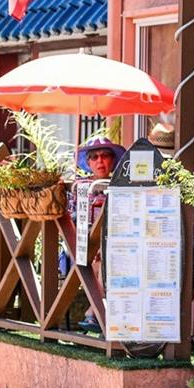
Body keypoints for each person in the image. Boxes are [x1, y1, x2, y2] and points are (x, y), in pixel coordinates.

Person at [68, 134, 125, 335]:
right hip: (85, 243)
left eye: (105, 156)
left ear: (113, 160)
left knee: (109, 254)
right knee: (99, 257)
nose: (100, 161)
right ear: (89, 162)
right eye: (95, 157)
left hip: (116, 244)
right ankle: (96, 313)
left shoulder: (121, 185)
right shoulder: (80, 187)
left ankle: (95, 313)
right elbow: (72, 220)